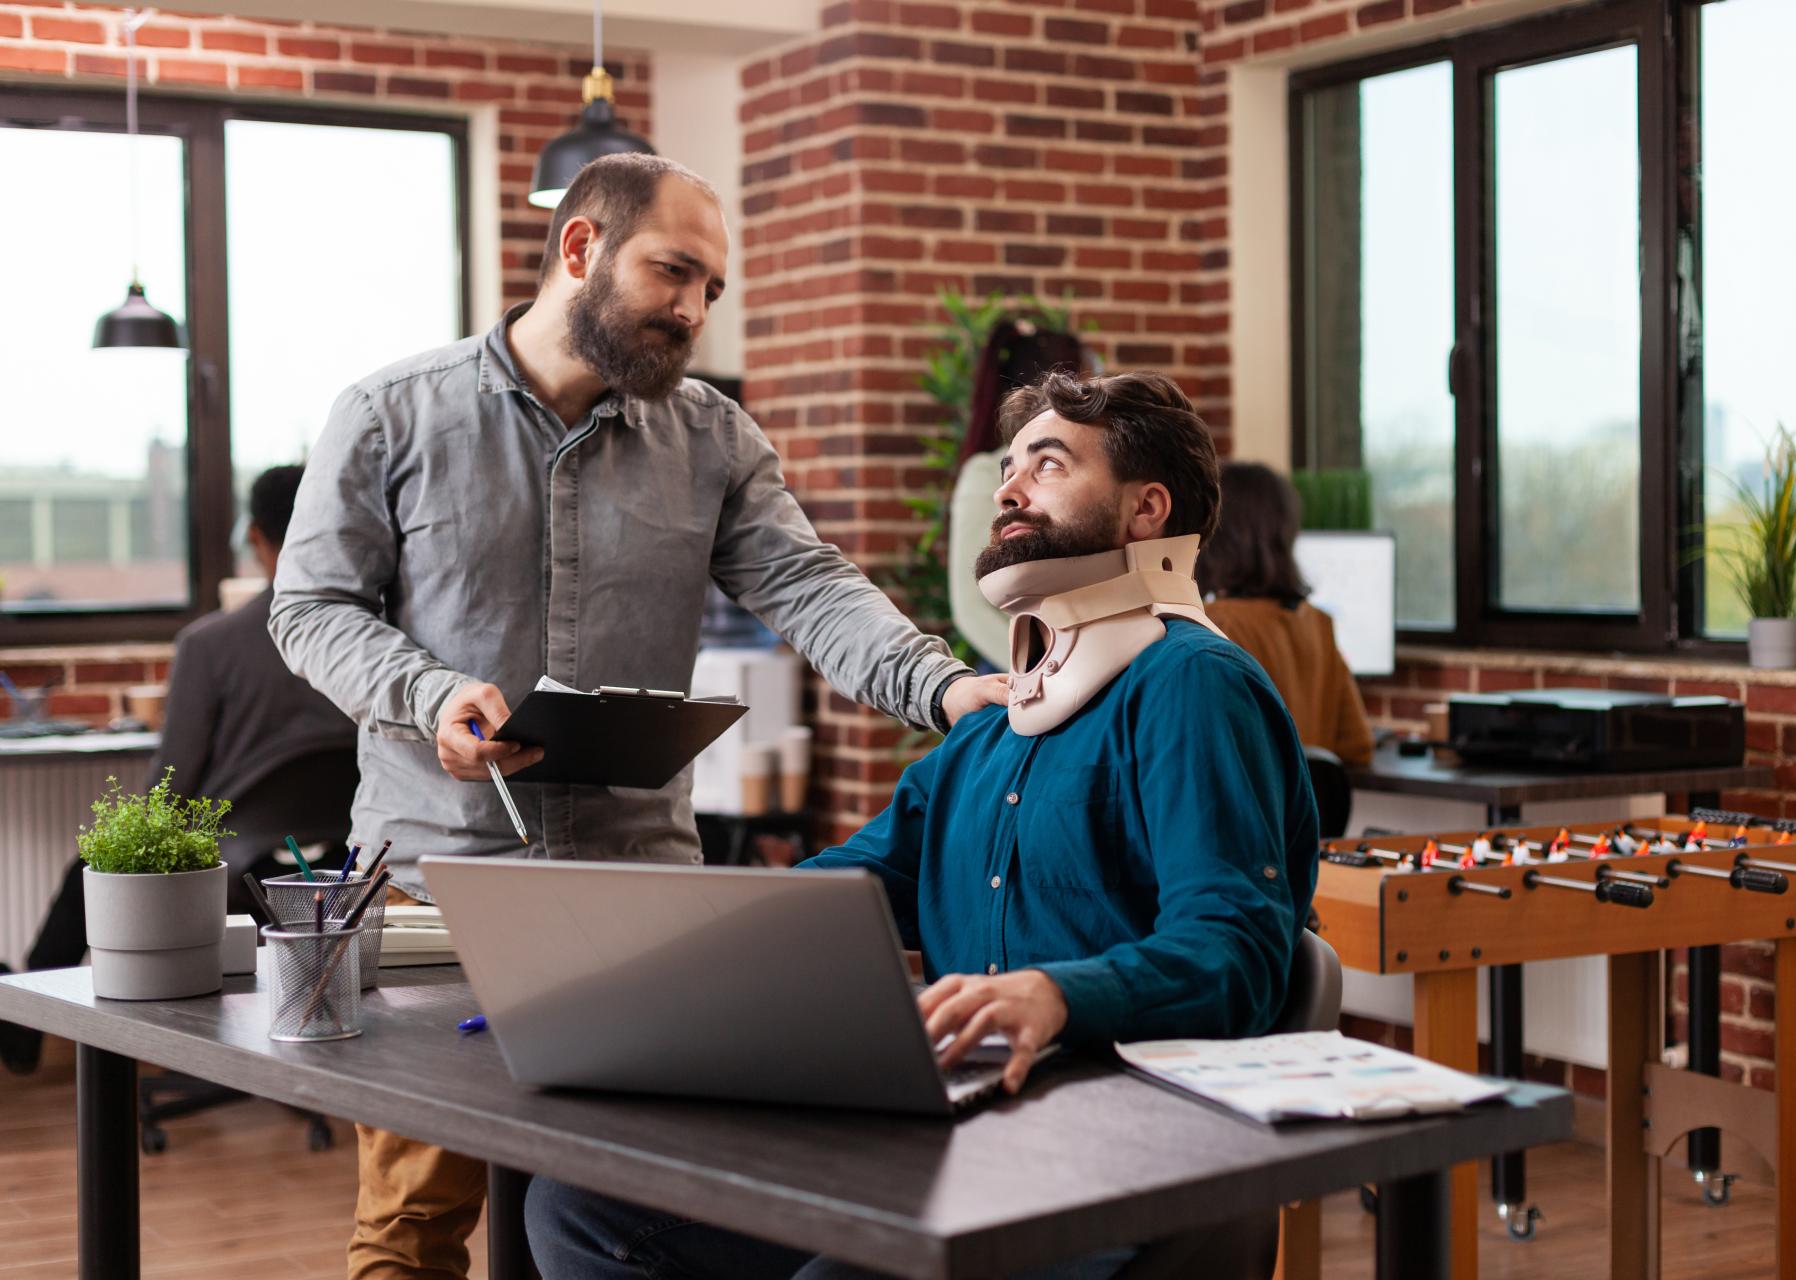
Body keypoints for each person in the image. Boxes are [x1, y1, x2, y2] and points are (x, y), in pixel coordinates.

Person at [267, 153, 1007, 1280]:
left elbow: (808, 585)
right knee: (416, 1217)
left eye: (712, 287)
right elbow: (309, 608)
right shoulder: (389, 414)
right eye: (674, 272)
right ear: (579, 250)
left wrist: (945, 684)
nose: (694, 309)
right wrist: (429, 697)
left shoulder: (711, 439)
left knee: (622, 1203)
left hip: (634, 892)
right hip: (439, 876)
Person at [522, 370, 1320, 1280]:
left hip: (1108, 1150)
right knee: (582, 1209)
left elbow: (1237, 952)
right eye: (1010, 466)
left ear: (1147, 511)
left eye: (1047, 465)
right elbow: (844, 890)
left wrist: (1058, 994)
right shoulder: (989, 728)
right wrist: (642, 940)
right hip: (958, 1130)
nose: (1009, 489)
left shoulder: (1191, 686)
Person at [0, 465, 354, 1076]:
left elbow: (168, 791)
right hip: (330, 868)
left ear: (259, 543)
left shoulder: (212, 645)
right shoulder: (368, 640)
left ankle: (24, 1029)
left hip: (230, 866)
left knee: (90, 871)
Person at [1197, 462, 1373, 768]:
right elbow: (1357, 746)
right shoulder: (1317, 622)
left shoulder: (1211, 626)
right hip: (1308, 815)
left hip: (1249, 814)